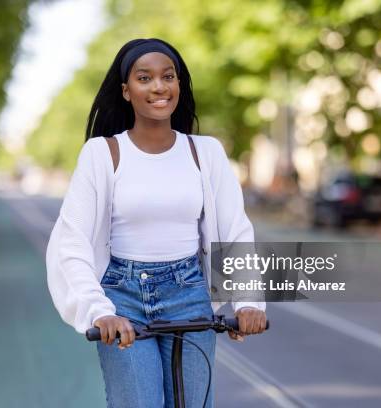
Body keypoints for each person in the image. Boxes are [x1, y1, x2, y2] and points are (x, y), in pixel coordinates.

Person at [46, 38, 267, 408]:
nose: (159, 87)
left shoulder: (206, 153)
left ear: (179, 85)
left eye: (168, 77)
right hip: (123, 298)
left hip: (189, 294)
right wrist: (100, 312)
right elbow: (73, 241)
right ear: (126, 91)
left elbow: (235, 231)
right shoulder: (103, 154)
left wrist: (246, 302)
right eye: (144, 78)